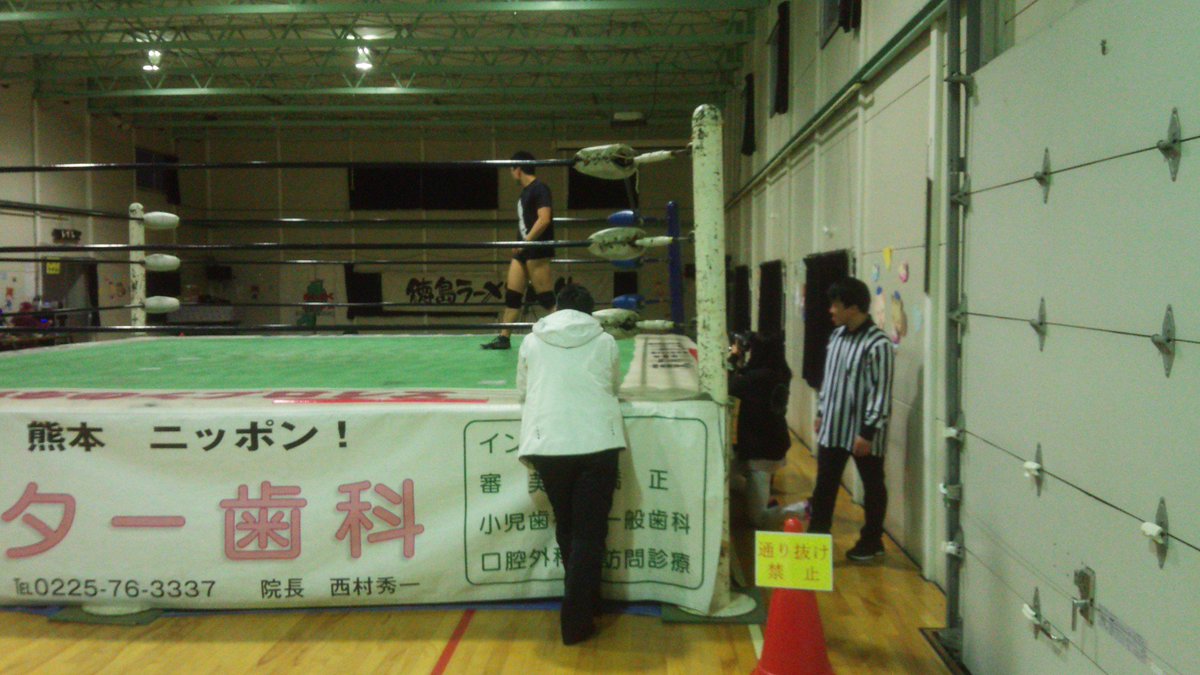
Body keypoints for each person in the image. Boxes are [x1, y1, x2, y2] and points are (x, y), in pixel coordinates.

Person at [516, 283, 625, 645]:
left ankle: (587, 602)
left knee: (567, 525)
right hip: (597, 443)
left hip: (547, 444)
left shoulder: (532, 341)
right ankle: (577, 618)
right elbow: (614, 387)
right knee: (589, 533)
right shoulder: (605, 341)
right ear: (590, 311)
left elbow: (522, 390)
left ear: (558, 308)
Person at [809, 277, 895, 561]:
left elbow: (881, 392)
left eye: (836, 305)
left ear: (854, 307)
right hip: (834, 426)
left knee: (873, 486)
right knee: (825, 485)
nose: (831, 310)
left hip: (863, 433)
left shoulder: (879, 343)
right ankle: (817, 539)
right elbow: (829, 379)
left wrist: (867, 432)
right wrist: (821, 412)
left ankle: (872, 540)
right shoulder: (837, 336)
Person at [728, 332, 808, 529]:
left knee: (758, 519)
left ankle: (804, 509)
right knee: (725, 476)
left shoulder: (758, 377)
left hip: (761, 454)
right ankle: (760, 497)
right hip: (770, 444)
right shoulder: (781, 372)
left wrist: (734, 357)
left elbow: (727, 385)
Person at [481, 150, 557, 349]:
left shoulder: (540, 188)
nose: (511, 173)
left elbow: (544, 219)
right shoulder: (525, 192)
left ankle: (565, 335)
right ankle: (504, 338)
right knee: (512, 295)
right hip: (524, 251)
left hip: (537, 249)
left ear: (518, 169)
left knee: (546, 298)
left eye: (511, 168)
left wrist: (525, 242)